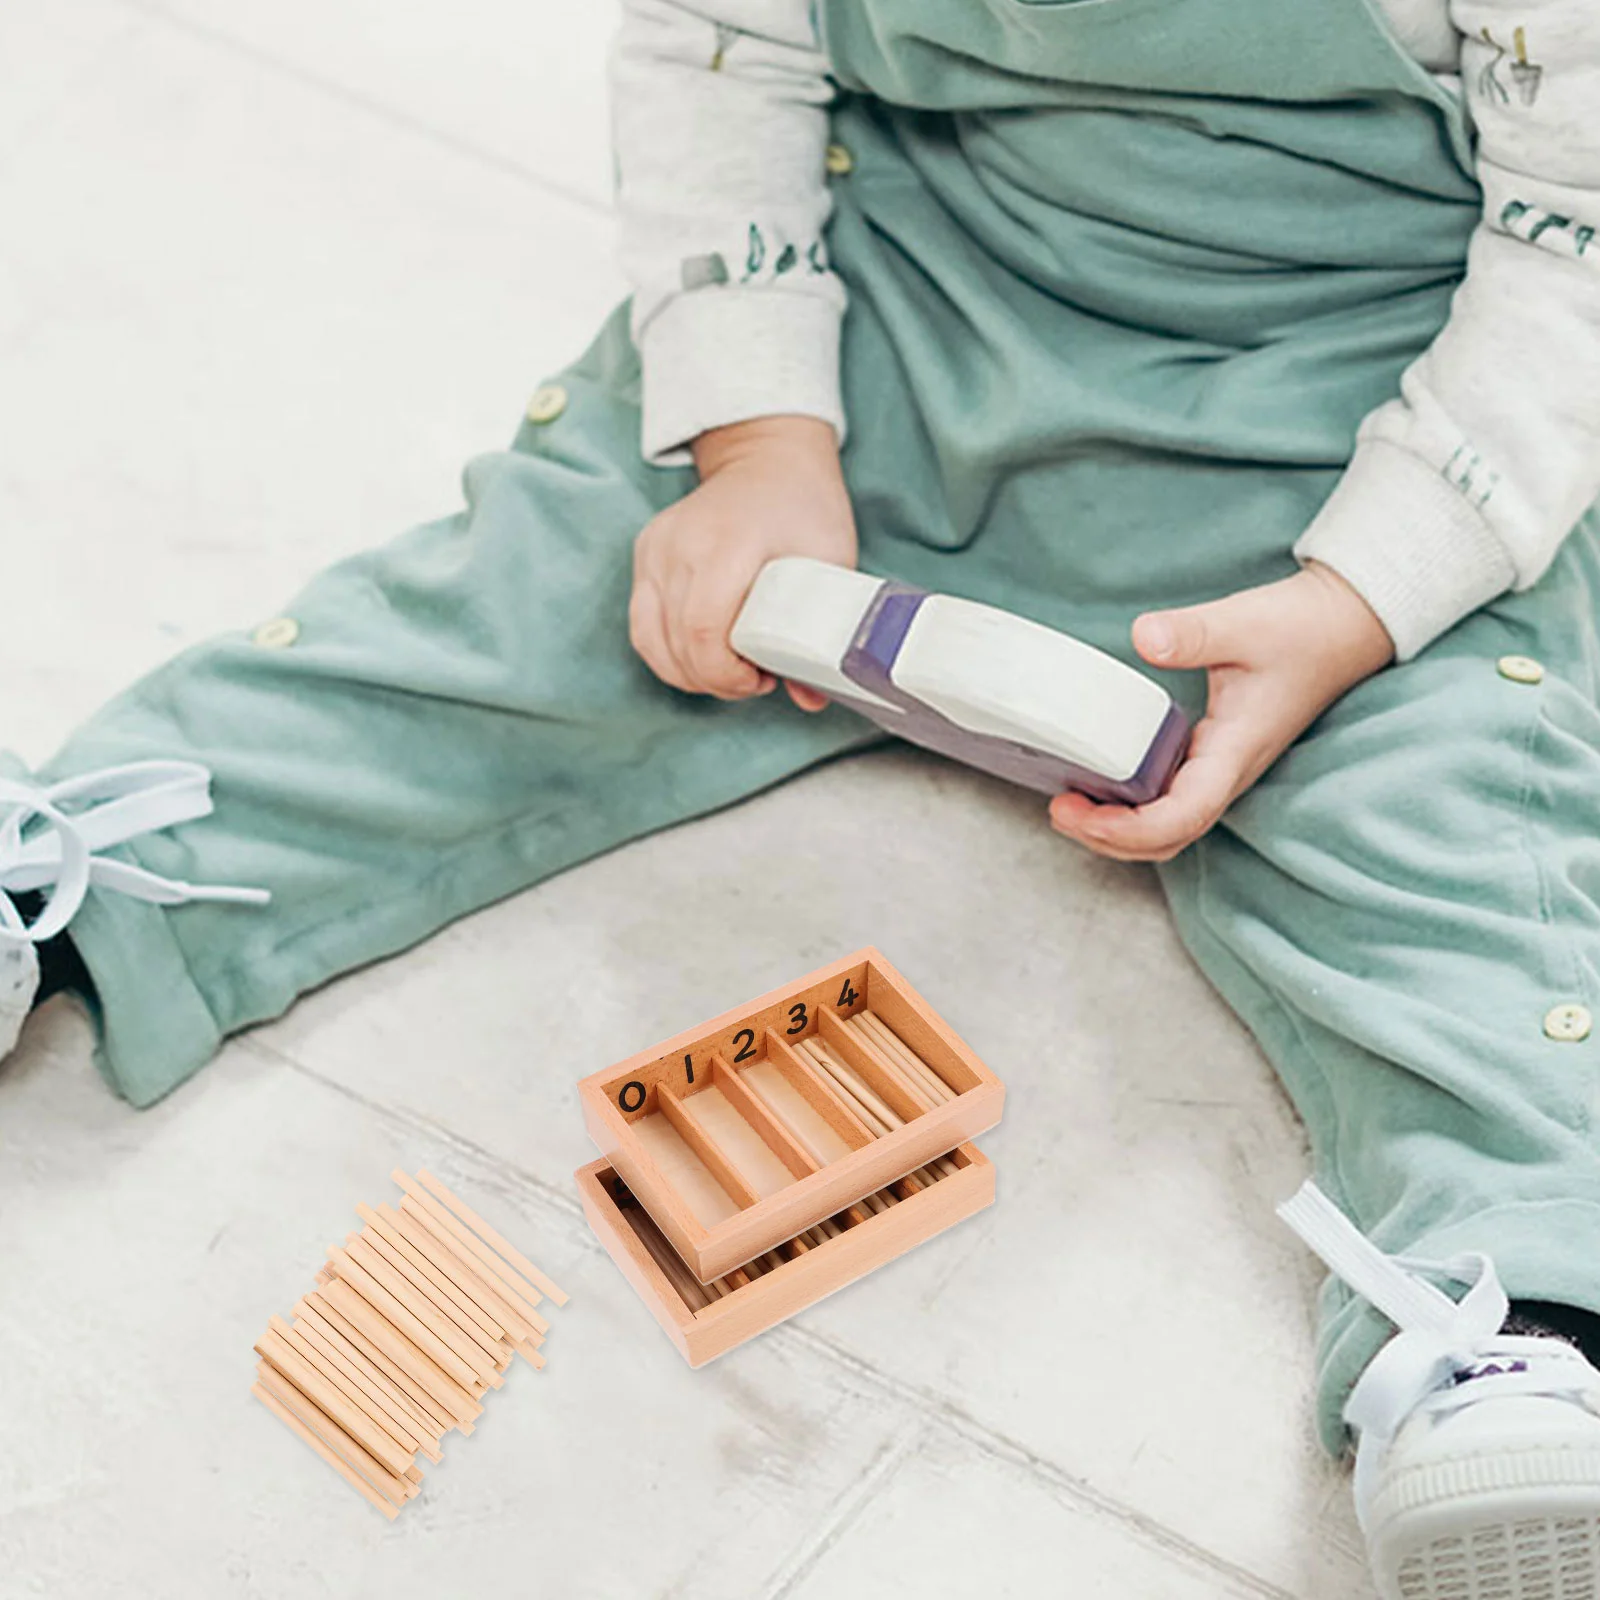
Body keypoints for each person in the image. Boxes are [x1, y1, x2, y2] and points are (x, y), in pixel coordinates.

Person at [4, 2, 1600, 1592]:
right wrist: (758, 437)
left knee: (1451, 828)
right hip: (895, 318)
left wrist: (1366, 597)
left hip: (1353, 412)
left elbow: (1573, 241)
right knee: (526, 613)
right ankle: (82, 876)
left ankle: (1514, 1316)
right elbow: (719, 46)